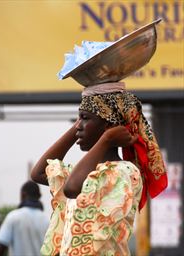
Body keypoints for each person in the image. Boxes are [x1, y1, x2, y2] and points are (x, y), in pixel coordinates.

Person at [31, 24, 167, 256]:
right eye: (78, 121)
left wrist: (105, 140)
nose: (78, 128)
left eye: (84, 120)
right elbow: (39, 173)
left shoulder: (125, 173)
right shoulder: (88, 171)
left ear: (108, 126)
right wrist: (83, 123)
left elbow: (73, 189)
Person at [0, 181, 49, 256]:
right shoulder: (47, 220)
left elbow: (0, 249)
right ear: (39, 196)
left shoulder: (13, 217)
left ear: (23, 194)